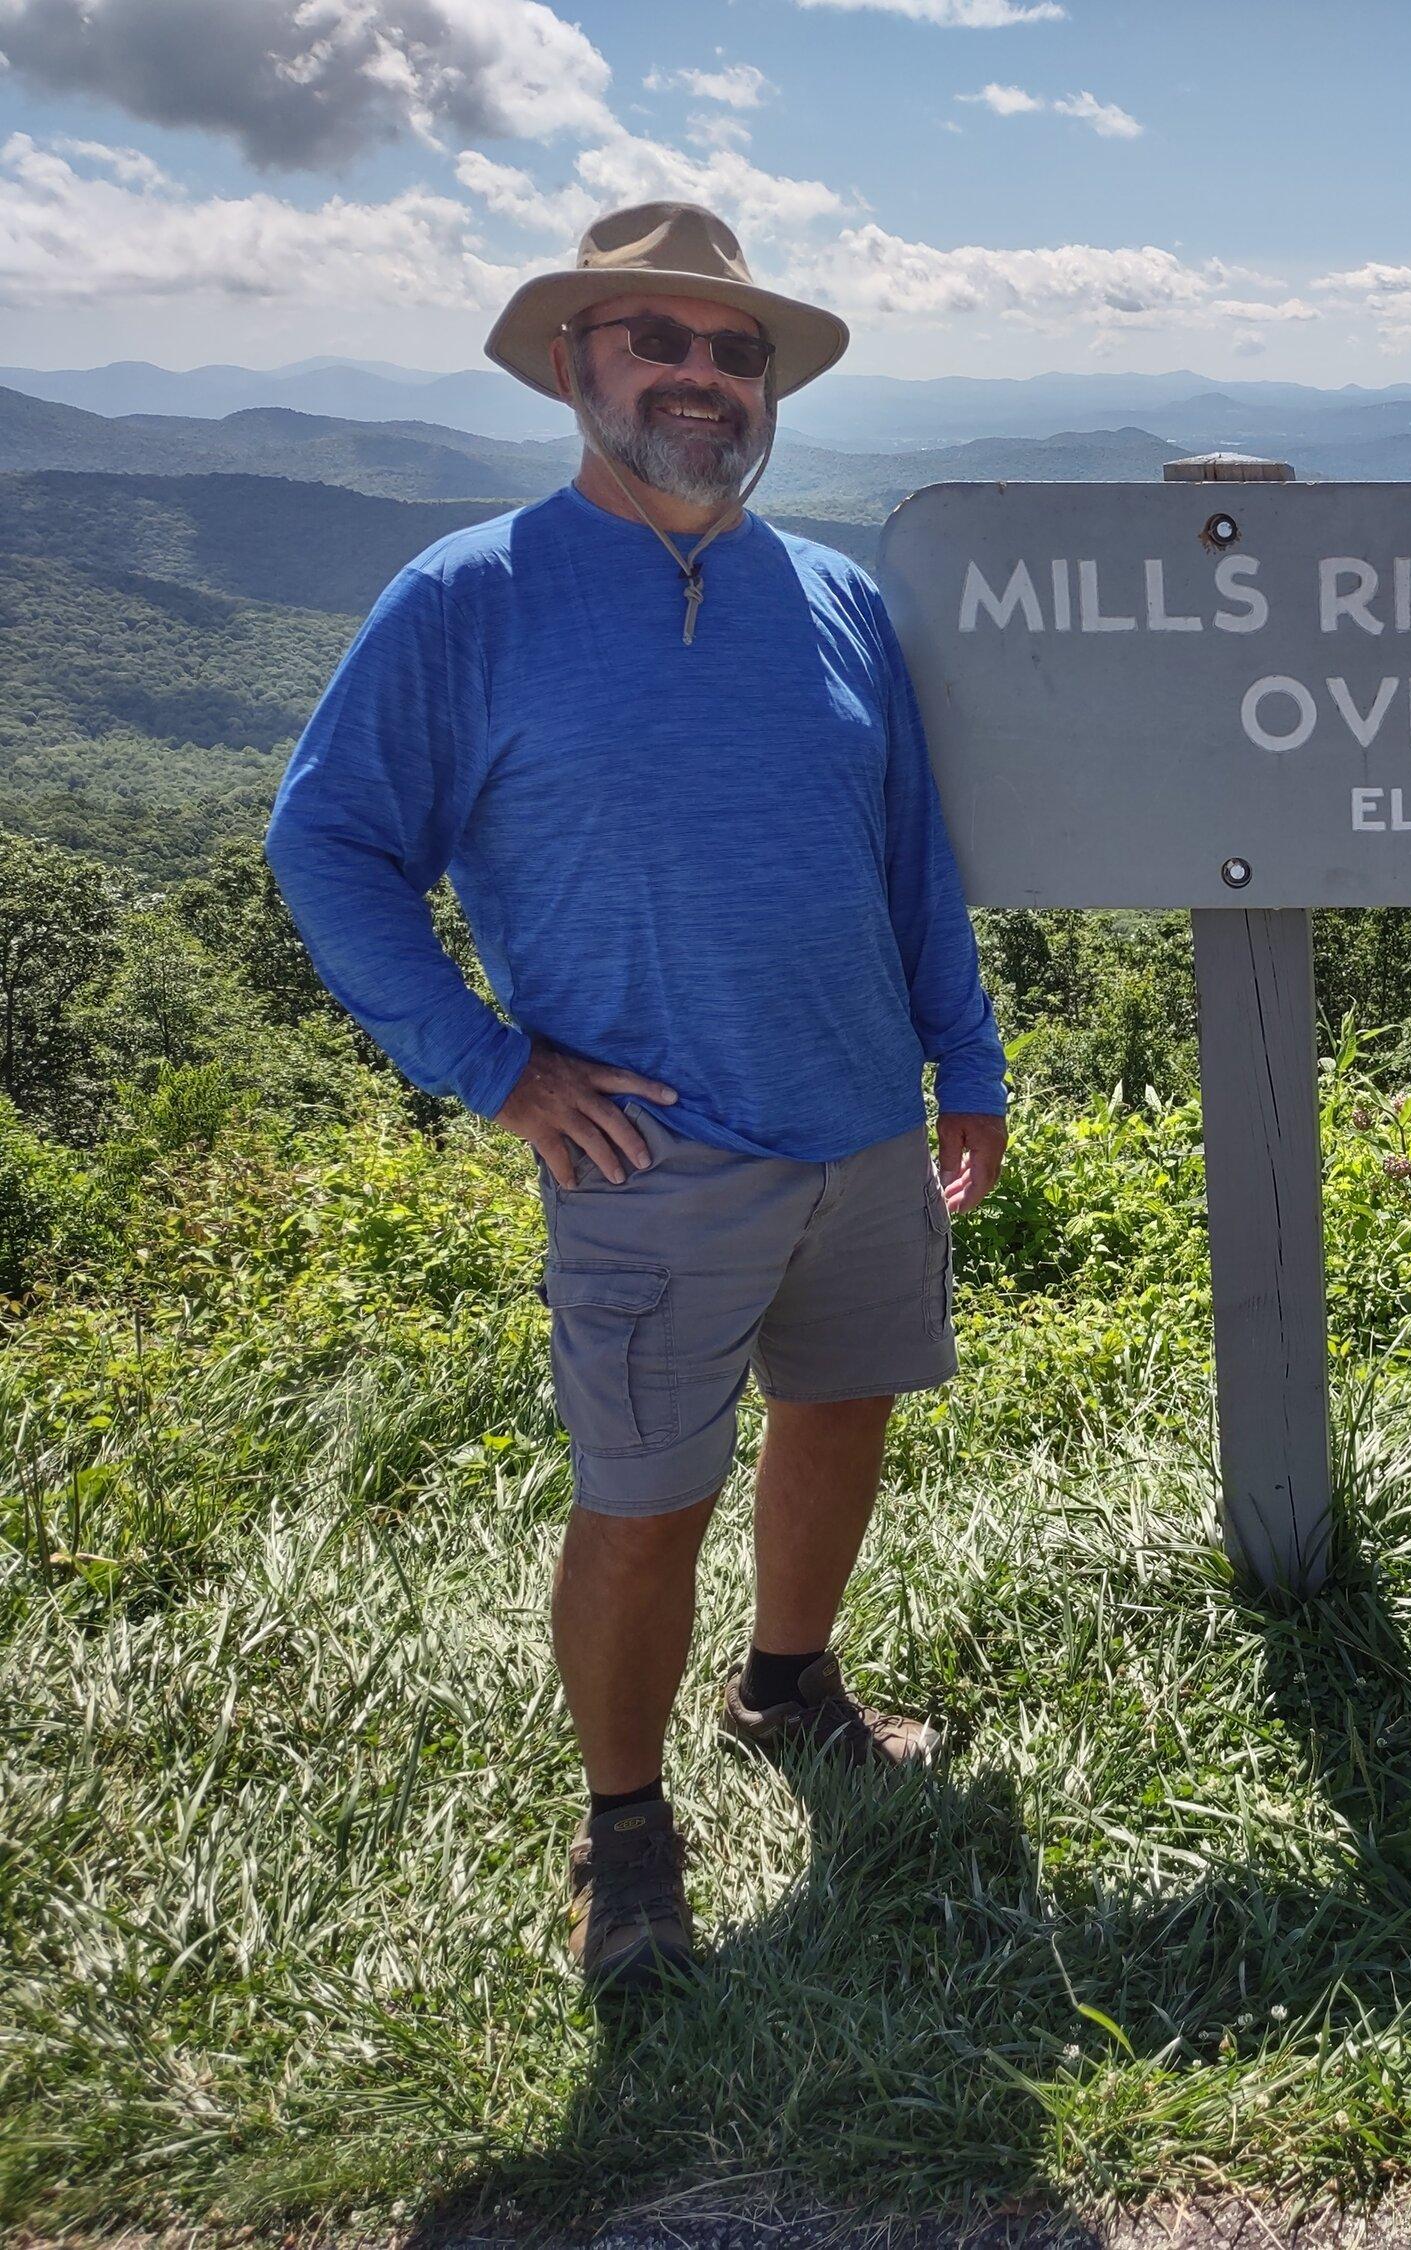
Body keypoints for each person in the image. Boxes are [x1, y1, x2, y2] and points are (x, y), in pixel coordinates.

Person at [266, 203, 1009, 1992]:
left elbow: (911, 861)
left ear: (768, 386)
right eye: (656, 341)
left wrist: (963, 1065)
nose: (699, 375)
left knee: (843, 1410)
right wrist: (494, 1066)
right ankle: (625, 1829)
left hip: (858, 1124)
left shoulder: (832, 598)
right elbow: (330, 843)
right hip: (648, 1157)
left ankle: (789, 1686)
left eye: (733, 348)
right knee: (643, 1501)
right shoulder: (470, 597)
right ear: (576, 365)